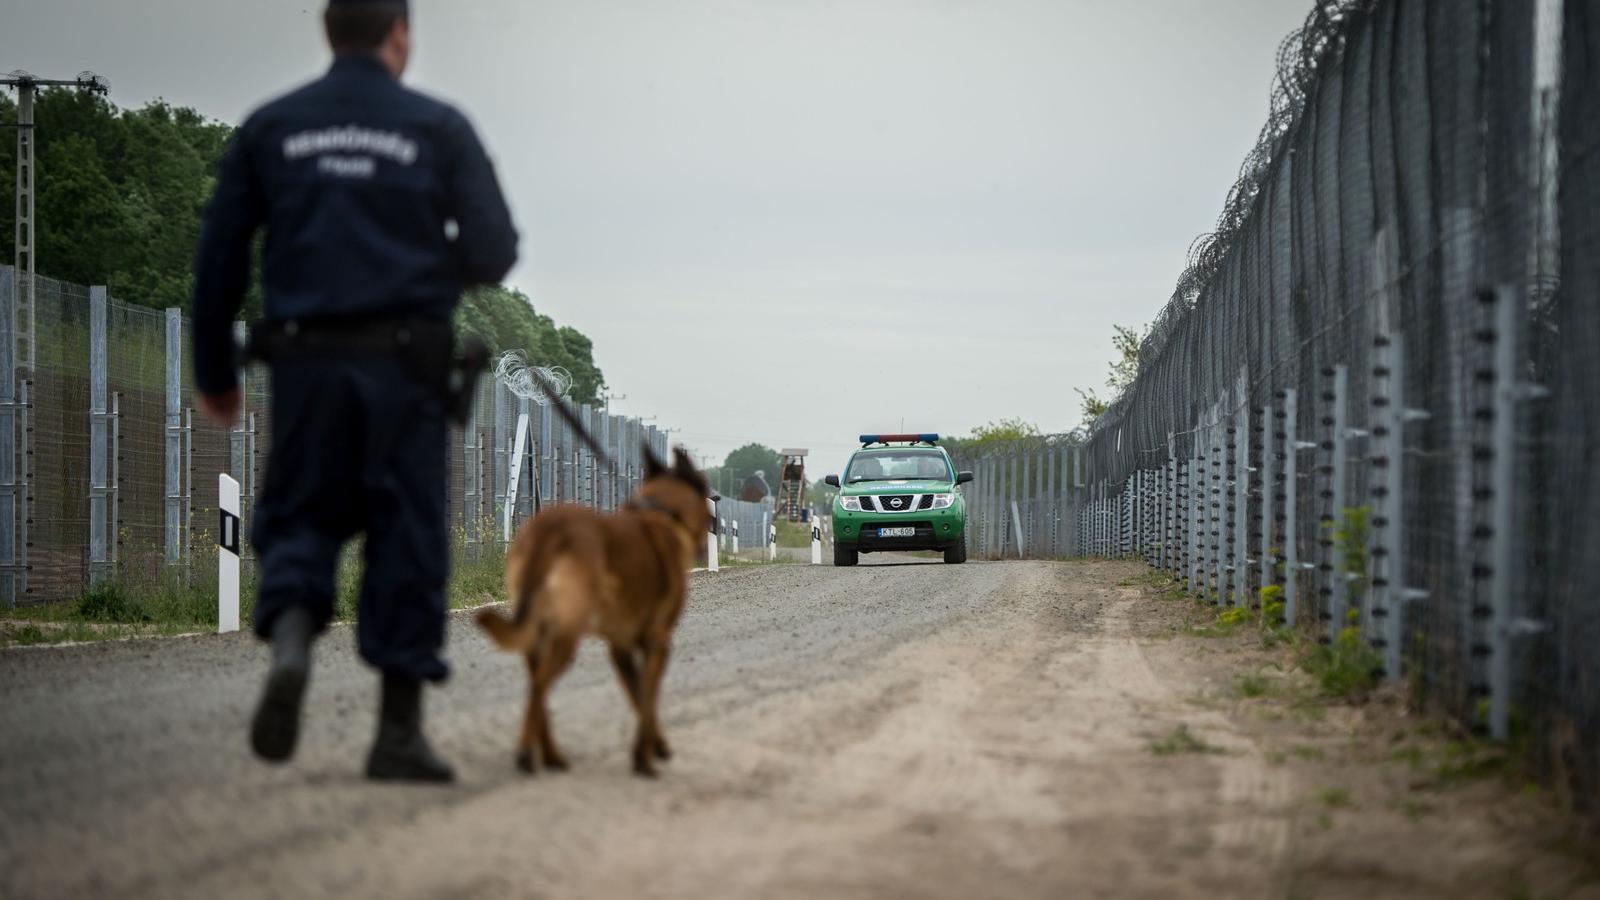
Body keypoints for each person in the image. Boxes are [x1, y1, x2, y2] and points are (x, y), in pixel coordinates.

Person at [191, 0, 518, 782]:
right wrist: (426, 271)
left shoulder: (273, 126)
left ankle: (297, 643)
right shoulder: (437, 127)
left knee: (303, 513)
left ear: (330, 32)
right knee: (406, 532)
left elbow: (221, 254)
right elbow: (495, 246)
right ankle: (397, 732)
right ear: (399, 33)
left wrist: (215, 371)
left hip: (305, 366)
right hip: (406, 369)